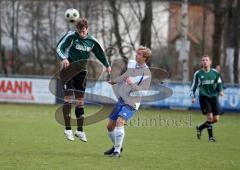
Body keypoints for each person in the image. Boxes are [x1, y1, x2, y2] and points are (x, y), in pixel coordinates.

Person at [56, 18, 111, 142]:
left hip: (82, 73)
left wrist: (107, 65)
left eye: (83, 31)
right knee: (69, 99)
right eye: (79, 31)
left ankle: (80, 131)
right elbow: (59, 48)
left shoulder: (92, 40)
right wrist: (63, 58)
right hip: (68, 71)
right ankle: (68, 129)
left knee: (80, 102)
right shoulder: (71, 36)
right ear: (77, 30)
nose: (81, 34)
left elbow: (100, 53)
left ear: (87, 29)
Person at [104, 46, 152, 157]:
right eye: (136, 53)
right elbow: (125, 76)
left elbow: (143, 93)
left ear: (145, 57)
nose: (136, 55)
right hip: (122, 98)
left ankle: (117, 151)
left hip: (133, 101)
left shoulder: (147, 73)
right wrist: (114, 81)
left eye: (139, 54)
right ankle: (117, 147)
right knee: (110, 127)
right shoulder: (131, 64)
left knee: (120, 121)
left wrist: (132, 84)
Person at [190, 55, 224, 142]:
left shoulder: (215, 72)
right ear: (202, 62)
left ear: (210, 62)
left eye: (206, 60)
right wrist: (193, 96)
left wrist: (220, 91)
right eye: (203, 60)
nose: (205, 61)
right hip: (204, 97)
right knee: (210, 117)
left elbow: (219, 82)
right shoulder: (198, 74)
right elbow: (193, 86)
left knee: (215, 119)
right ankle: (211, 137)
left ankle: (200, 127)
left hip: (214, 97)